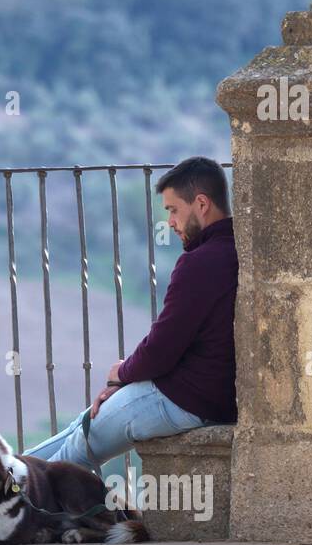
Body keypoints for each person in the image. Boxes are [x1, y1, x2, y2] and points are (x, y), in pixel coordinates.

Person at [23, 156, 238, 475]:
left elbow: (162, 349)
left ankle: (10, 504)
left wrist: (121, 373)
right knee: (80, 428)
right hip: (202, 394)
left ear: (201, 204)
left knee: (79, 447)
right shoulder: (236, 251)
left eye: (173, 210)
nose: (171, 223)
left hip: (187, 398)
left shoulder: (199, 263)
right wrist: (128, 375)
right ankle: (8, 474)